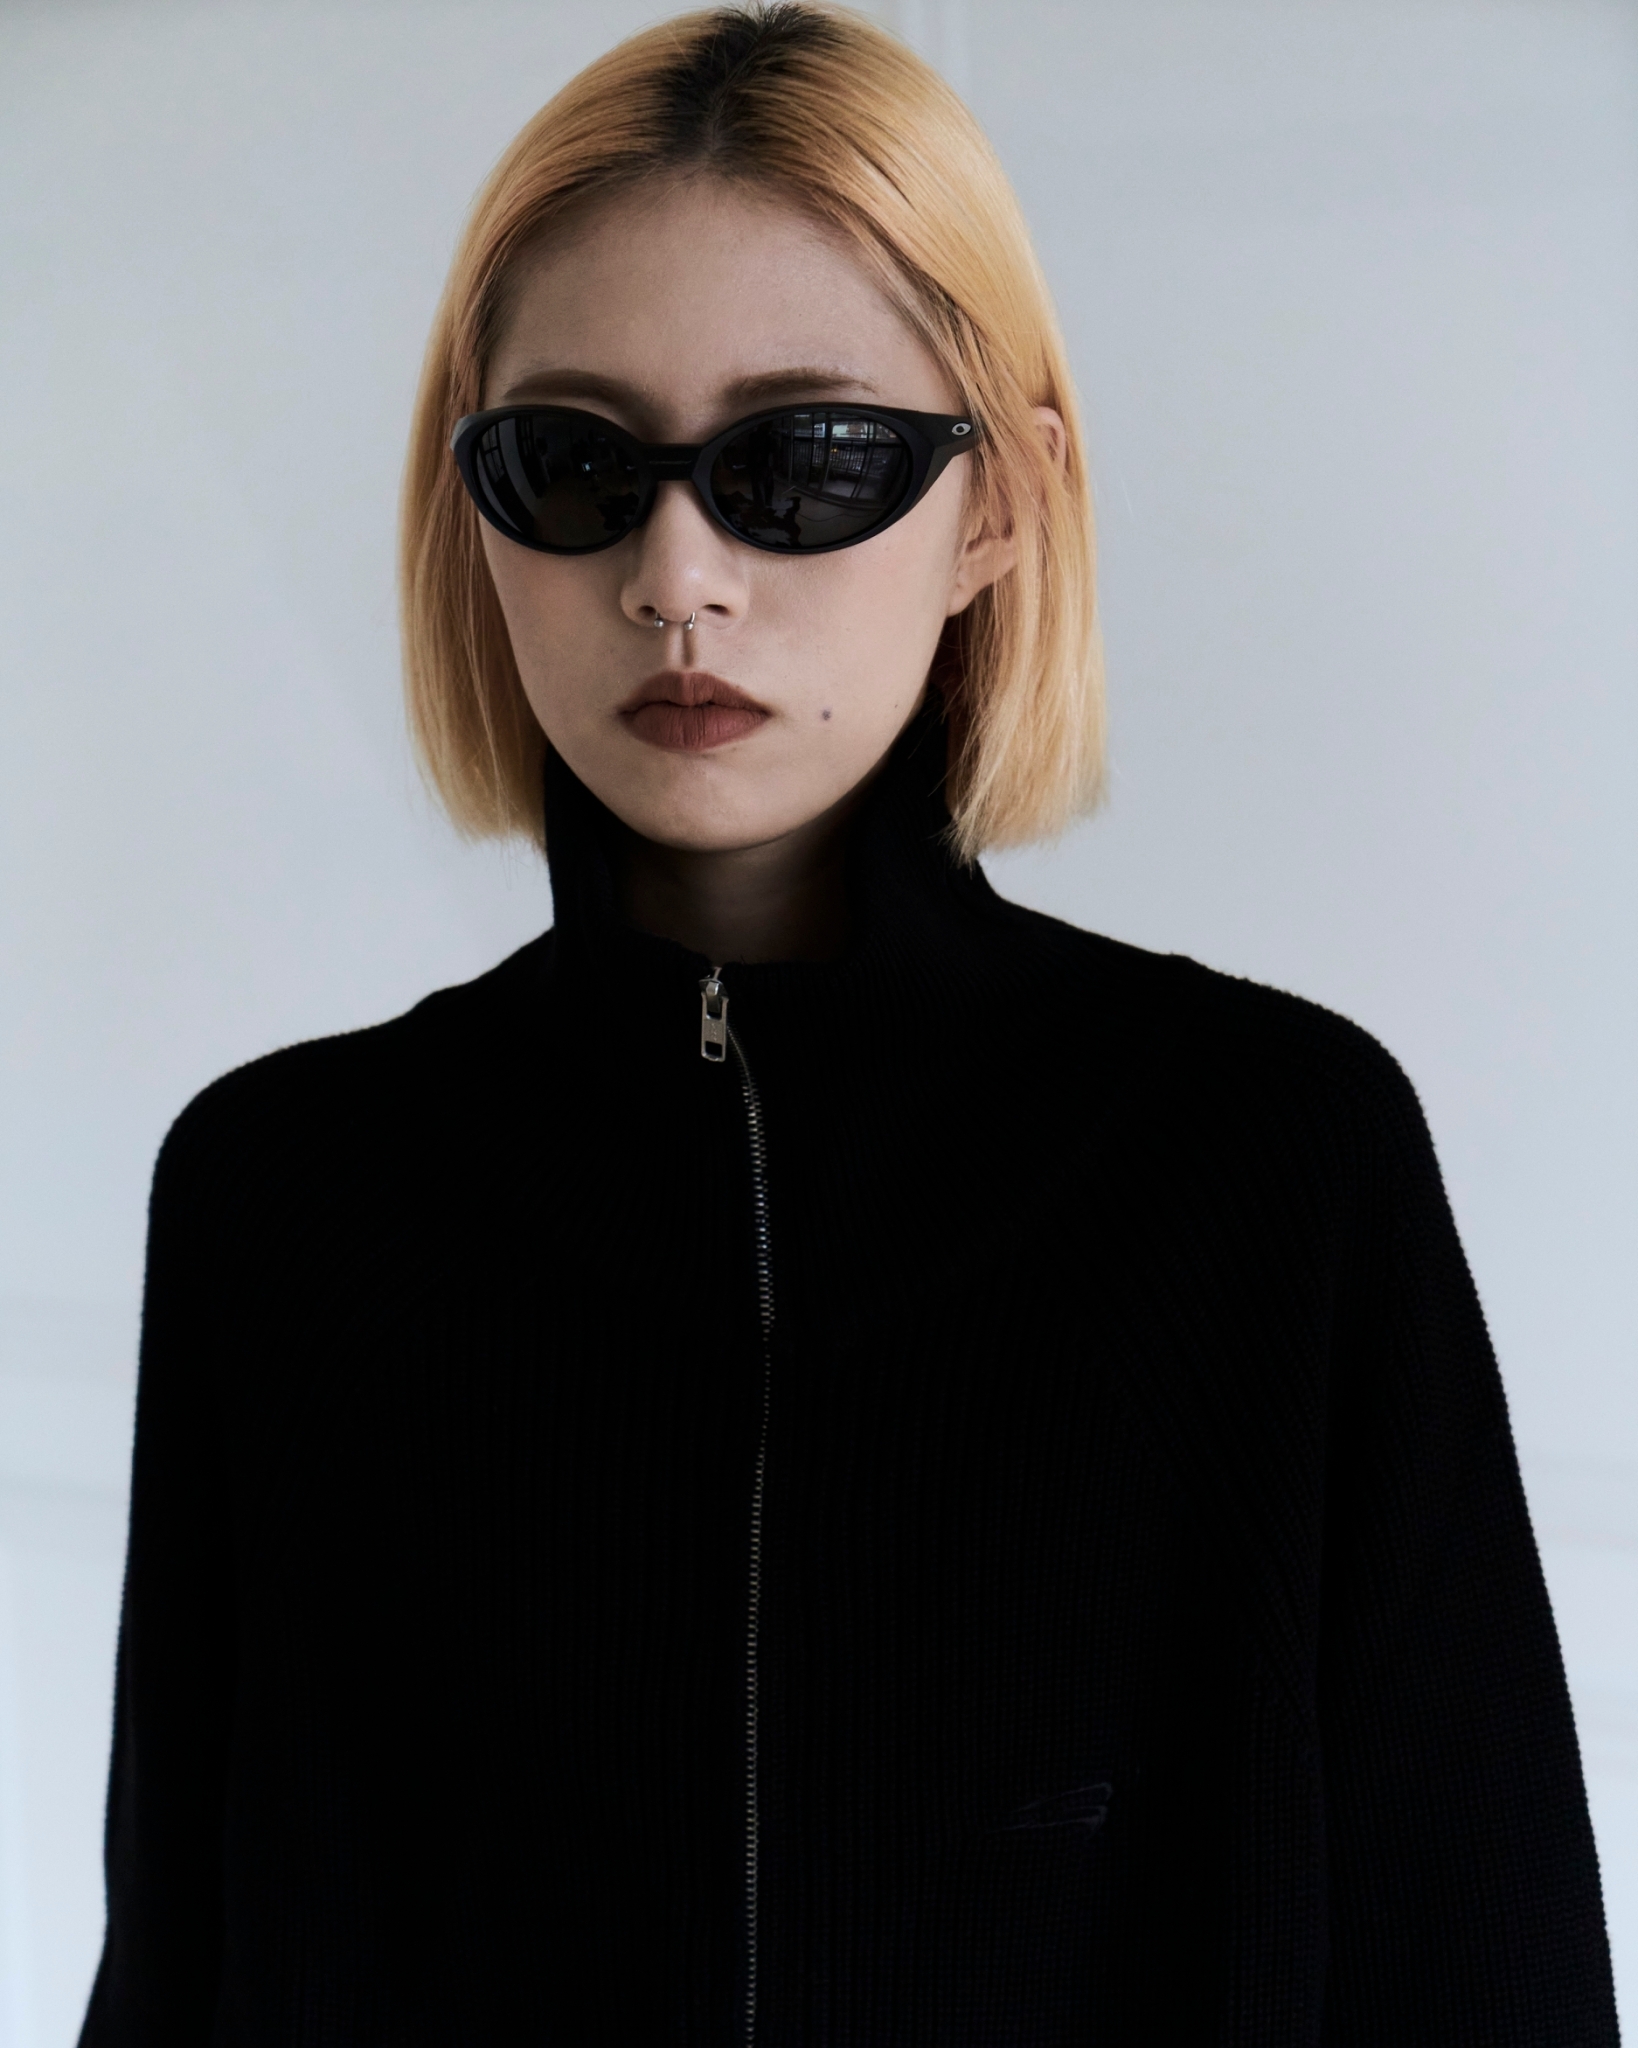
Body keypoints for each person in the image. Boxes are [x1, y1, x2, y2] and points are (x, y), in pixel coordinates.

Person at [80, 6, 1619, 2043]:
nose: (677, 575)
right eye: (572, 465)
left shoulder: (1271, 1163)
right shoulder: (290, 1197)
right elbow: (181, 1977)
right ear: (472, 509)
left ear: (998, 506)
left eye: (801, 464)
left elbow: (1492, 1974)